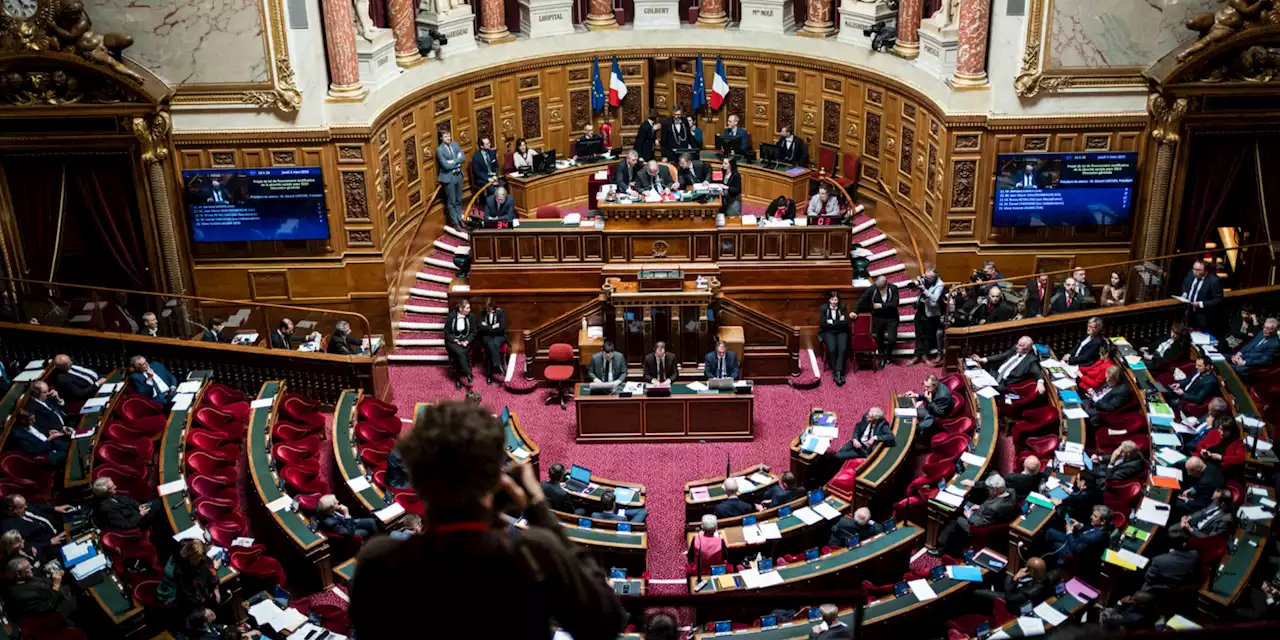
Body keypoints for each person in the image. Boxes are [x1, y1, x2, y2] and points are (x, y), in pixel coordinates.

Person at [350, 402, 626, 639]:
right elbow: (604, 622)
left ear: (418, 482)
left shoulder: (379, 563)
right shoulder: (532, 554)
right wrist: (539, 510)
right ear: (496, 478)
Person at [935, 474, 1018, 557]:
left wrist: (969, 516)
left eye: (989, 488)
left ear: (995, 490)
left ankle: (941, 548)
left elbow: (981, 522)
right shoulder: (1011, 491)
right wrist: (979, 507)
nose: (988, 490)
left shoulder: (994, 507)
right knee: (962, 502)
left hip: (979, 523)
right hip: (984, 512)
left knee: (956, 519)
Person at [158, 539, 221, 614]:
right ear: (192, 561)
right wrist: (215, 569)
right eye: (198, 560)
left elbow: (202, 566)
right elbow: (193, 599)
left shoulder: (181, 553)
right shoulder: (181, 574)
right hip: (175, 599)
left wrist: (215, 588)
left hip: (183, 592)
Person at [1043, 504, 1112, 571]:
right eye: (1092, 514)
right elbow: (1091, 530)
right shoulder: (1103, 528)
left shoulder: (1092, 537)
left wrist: (1069, 531)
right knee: (1050, 532)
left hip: (1074, 554)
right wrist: (1080, 526)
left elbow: (1075, 550)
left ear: (1103, 521)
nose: (1091, 517)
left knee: (1055, 543)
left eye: (1095, 516)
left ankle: (1054, 563)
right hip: (1078, 541)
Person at [2, 558, 73, 622]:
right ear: (18, 574)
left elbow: (41, 581)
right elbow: (47, 607)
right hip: (60, 606)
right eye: (28, 567)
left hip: (59, 589)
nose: (32, 567)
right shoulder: (22, 596)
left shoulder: (25, 577)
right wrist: (56, 586)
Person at [973, 557, 1052, 613]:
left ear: (1032, 571)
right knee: (997, 574)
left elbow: (1009, 596)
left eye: (1027, 568)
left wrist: (1015, 578)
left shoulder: (1028, 592)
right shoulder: (1048, 577)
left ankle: (984, 609)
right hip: (1017, 590)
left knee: (977, 592)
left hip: (1012, 600)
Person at [0, 496, 69, 559]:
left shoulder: (23, 506)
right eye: (22, 506)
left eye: (25, 503)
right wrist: (50, 542)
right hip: (49, 546)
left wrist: (55, 508)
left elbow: (37, 506)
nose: (27, 507)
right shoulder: (9, 528)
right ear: (12, 510)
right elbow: (24, 546)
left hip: (57, 526)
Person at [970, 336, 1039, 394]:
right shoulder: (1015, 349)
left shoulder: (1031, 360)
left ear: (1027, 350)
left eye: (1020, 345)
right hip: (996, 374)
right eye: (1017, 343)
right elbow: (1002, 356)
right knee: (975, 378)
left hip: (1004, 383)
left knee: (983, 390)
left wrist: (1040, 382)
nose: (1017, 346)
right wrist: (982, 359)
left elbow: (1038, 373)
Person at [857, 276, 899, 369]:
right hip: (878, 317)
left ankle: (888, 355)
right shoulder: (873, 288)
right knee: (879, 338)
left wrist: (881, 305)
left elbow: (894, 304)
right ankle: (882, 356)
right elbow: (862, 299)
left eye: (881, 287)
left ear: (886, 284)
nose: (879, 289)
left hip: (891, 317)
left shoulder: (893, 288)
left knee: (892, 339)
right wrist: (855, 311)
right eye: (877, 287)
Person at [910, 269, 945, 365]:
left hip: (930, 313)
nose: (926, 279)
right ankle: (916, 355)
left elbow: (935, 298)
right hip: (920, 310)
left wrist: (924, 290)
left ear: (935, 277)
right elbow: (913, 290)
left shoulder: (940, 284)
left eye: (929, 278)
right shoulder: (924, 280)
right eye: (926, 277)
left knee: (927, 336)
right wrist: (916, 286)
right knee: (918, 334)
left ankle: (925, 356)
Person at [1179, 259, 1224, 331]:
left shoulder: (1214, 281)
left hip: (1204, 315)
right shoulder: (1190, 274)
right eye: (1194, 268)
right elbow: (1185, 284)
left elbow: (1218, 300)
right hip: (1188, 312)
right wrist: (1185, 293)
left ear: (1206, 271)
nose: (1194, 272)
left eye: (1198, 270)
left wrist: (1201, 304)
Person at [818, 291, 851, 387]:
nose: (834, 301)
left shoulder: (842, 307)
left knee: (842, 349)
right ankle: (836, 371)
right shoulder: (824, 308)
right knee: (832, 349)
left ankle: (838, 373)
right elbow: (823, 324)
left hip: (841, 332)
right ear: (829, 300)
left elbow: (845, 322)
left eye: (836, 299)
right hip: (828, 332)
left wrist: (832, 322)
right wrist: (838, 322)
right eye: (832, 299)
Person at [436, 130, 466, 228]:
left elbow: (463, 157)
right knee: (451, 201)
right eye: (445, 136)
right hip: (449, 178)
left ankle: (460, 219)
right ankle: (455, 222)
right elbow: (445, 166)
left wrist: (452, 161)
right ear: (441, 138)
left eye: (449, 135)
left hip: (459, 175)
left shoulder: (455, 145)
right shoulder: (439, 150)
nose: (448, 138)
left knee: (458, 199)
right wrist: (457, 162)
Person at [444, 299, 477, 390]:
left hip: (466, 342)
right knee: (459, 352)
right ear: (461, 309)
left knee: (459, 354)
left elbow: (474, 332)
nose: (469, 310)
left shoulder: (471, 316)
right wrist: (455, 340)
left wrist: (467, 341)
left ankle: (458, 380)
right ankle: (468, 373)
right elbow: (447, 333)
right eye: (467, 308)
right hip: (453, 342)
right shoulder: (451, 316)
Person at [477, 298, 508, 384]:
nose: (487, 310)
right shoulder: (482, 313)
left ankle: (489, 375)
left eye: (489, 308)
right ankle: (499, 366)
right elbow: (480, 328)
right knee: (490, 345)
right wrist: (493, 327)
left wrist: (487, 327)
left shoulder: (500, 312)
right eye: (486, 308)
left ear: (492, 306)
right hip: (486, 337)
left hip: (499, 336)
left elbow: (502, 328)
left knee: (490, 348)